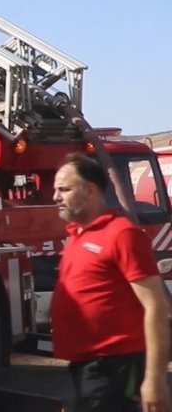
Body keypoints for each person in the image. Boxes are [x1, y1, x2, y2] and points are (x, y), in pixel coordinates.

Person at [50, 152, 170, 412]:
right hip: (84, 367)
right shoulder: (76, 236)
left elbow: (156, 307)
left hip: (116, 367)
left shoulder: (122, 234)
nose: (55, 197)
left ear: (90, 190)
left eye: (64, 189)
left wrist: (155, 378)